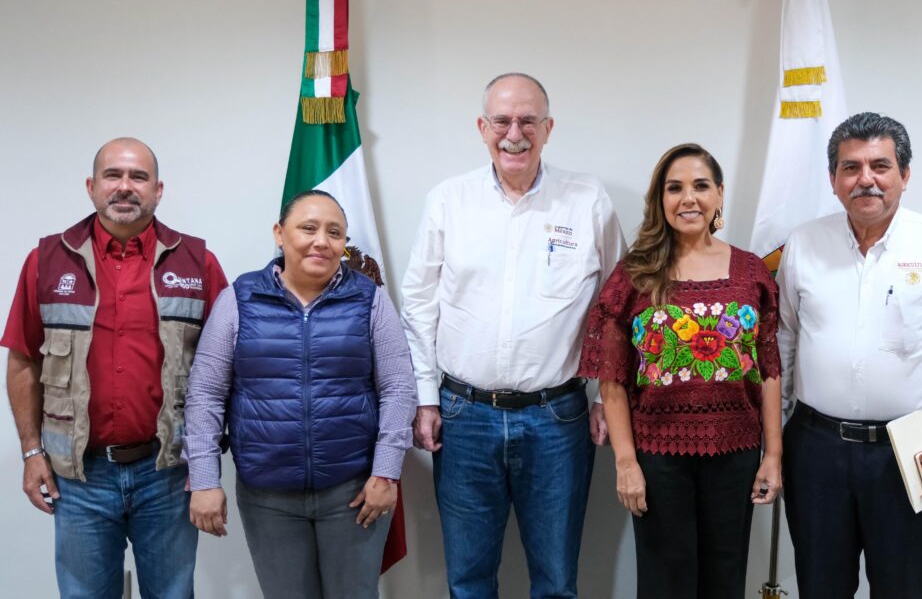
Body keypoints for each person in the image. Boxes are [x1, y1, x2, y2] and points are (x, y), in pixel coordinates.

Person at [400, 73, 625, 598]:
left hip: (558, 419)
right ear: (482, 128)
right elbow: (418, 303)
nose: (514, 133)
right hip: (463, 417)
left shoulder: (587, 199)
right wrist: (426, 398)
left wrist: (601, 396)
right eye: (502, 120)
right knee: (469, 581)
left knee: (555, 581)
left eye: (528, 120)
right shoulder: (448, 200)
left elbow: (612, 307)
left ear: (549, 128)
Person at [778, 112, 922, 598]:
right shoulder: (803, 243)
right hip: (816, 451)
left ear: (904, 175)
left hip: (913, 454)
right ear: (833, 181)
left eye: (880, 166)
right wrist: (773, 445)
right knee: (820, 587)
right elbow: (783, 344)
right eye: (851, 167)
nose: (866, 179)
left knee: (903, 588)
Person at [2, 137, 227, 598]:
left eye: (138, 177)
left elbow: (225, 371)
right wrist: (31, 453)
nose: (125, 187)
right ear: (91, 186)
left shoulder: (198, 263)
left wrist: (207, 469)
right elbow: (24, 360)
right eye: (113, 175)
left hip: (167, 473)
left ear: (158, 190)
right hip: (79, 479)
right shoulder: (46, 261)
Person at [183, 189, 416, 599]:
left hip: (353, 492)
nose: (321, 241)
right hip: (267, 497)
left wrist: (386, 472)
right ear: (279, 233)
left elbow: (398, 388)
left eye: (335, 232)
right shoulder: (239, 299)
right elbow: (205, 393)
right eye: (308, 228)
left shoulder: (370, 301)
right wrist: (203, 479)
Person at [579, 143, 782, 599]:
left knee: (725, 580)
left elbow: (769, 368)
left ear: (720, 196)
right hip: (658, 458)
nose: (688, 198)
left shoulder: (750, 272)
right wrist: (626, 462)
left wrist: (773, 455)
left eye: (700, 186)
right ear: (660, 200)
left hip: (737, 453)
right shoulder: (636, 273)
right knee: (663, 583)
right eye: (675, 188)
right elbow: (612, 378)